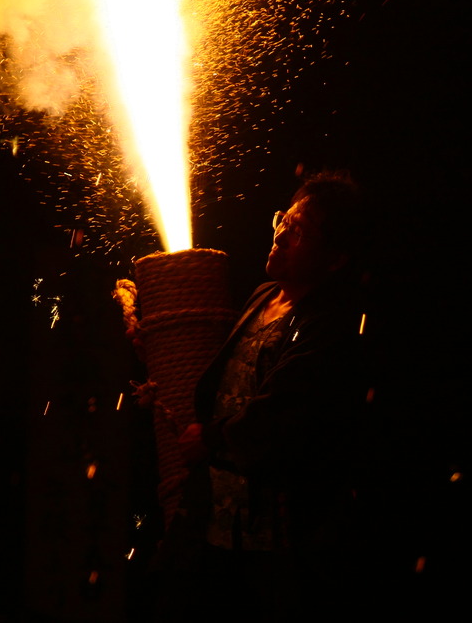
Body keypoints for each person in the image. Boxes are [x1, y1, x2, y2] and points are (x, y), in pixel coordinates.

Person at [151, 169, 373, 620]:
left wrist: (211, 439)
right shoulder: (264, 295)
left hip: (281, 539)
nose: (281, 235)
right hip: (216, 523)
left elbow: (288, 413)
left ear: (335, 259)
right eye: (283, 221)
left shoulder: (329, 324)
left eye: (300, 231)